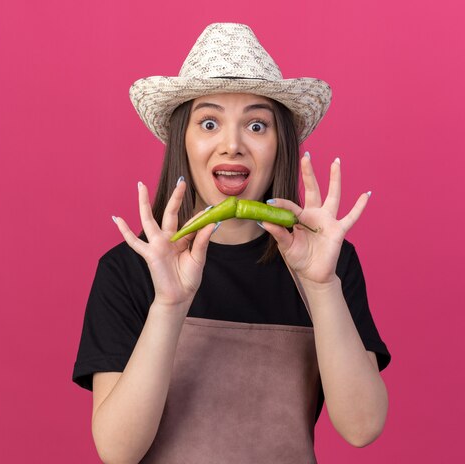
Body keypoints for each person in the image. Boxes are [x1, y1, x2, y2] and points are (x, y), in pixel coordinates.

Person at [72, 23, 391, 464]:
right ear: (181, 141)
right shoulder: (128, 267)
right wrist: (167, 305)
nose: (233, 145)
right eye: (209, 122)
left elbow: (363, 427)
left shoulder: (327, 260)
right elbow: (117, 450)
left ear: (280, 145)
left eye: (257, 125)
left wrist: (321, 287)